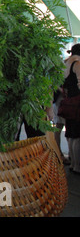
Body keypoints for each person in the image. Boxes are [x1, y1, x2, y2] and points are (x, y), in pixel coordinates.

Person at [62, 43, 80, 174]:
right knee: (77, 135)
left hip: (68, 102)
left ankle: (73, 163)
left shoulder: (66, 64)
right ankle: (78, 166)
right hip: (77, 103)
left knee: (71, 135)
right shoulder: (77, 64)